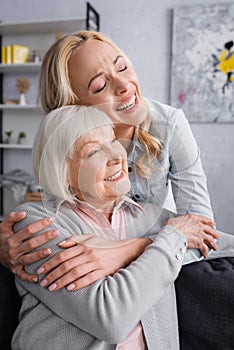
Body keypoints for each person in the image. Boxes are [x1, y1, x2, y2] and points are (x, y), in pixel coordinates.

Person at [0, 30, 219, 289]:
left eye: (123, 67)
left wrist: (125, 251)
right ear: (73, 107)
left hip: (156, 257)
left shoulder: (169, 124)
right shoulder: (63, 143)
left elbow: (202, 234)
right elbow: (60, 224)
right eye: (100, 86)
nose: (125, 85)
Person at [11, 105, 234, 350]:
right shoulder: (36, 225)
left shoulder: (153, 217)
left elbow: (221, 243)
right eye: (94, 151)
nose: (117, 155)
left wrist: (143, 245)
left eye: (113, 140)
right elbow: (111, 318)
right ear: (63, 172)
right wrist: (171, 239)